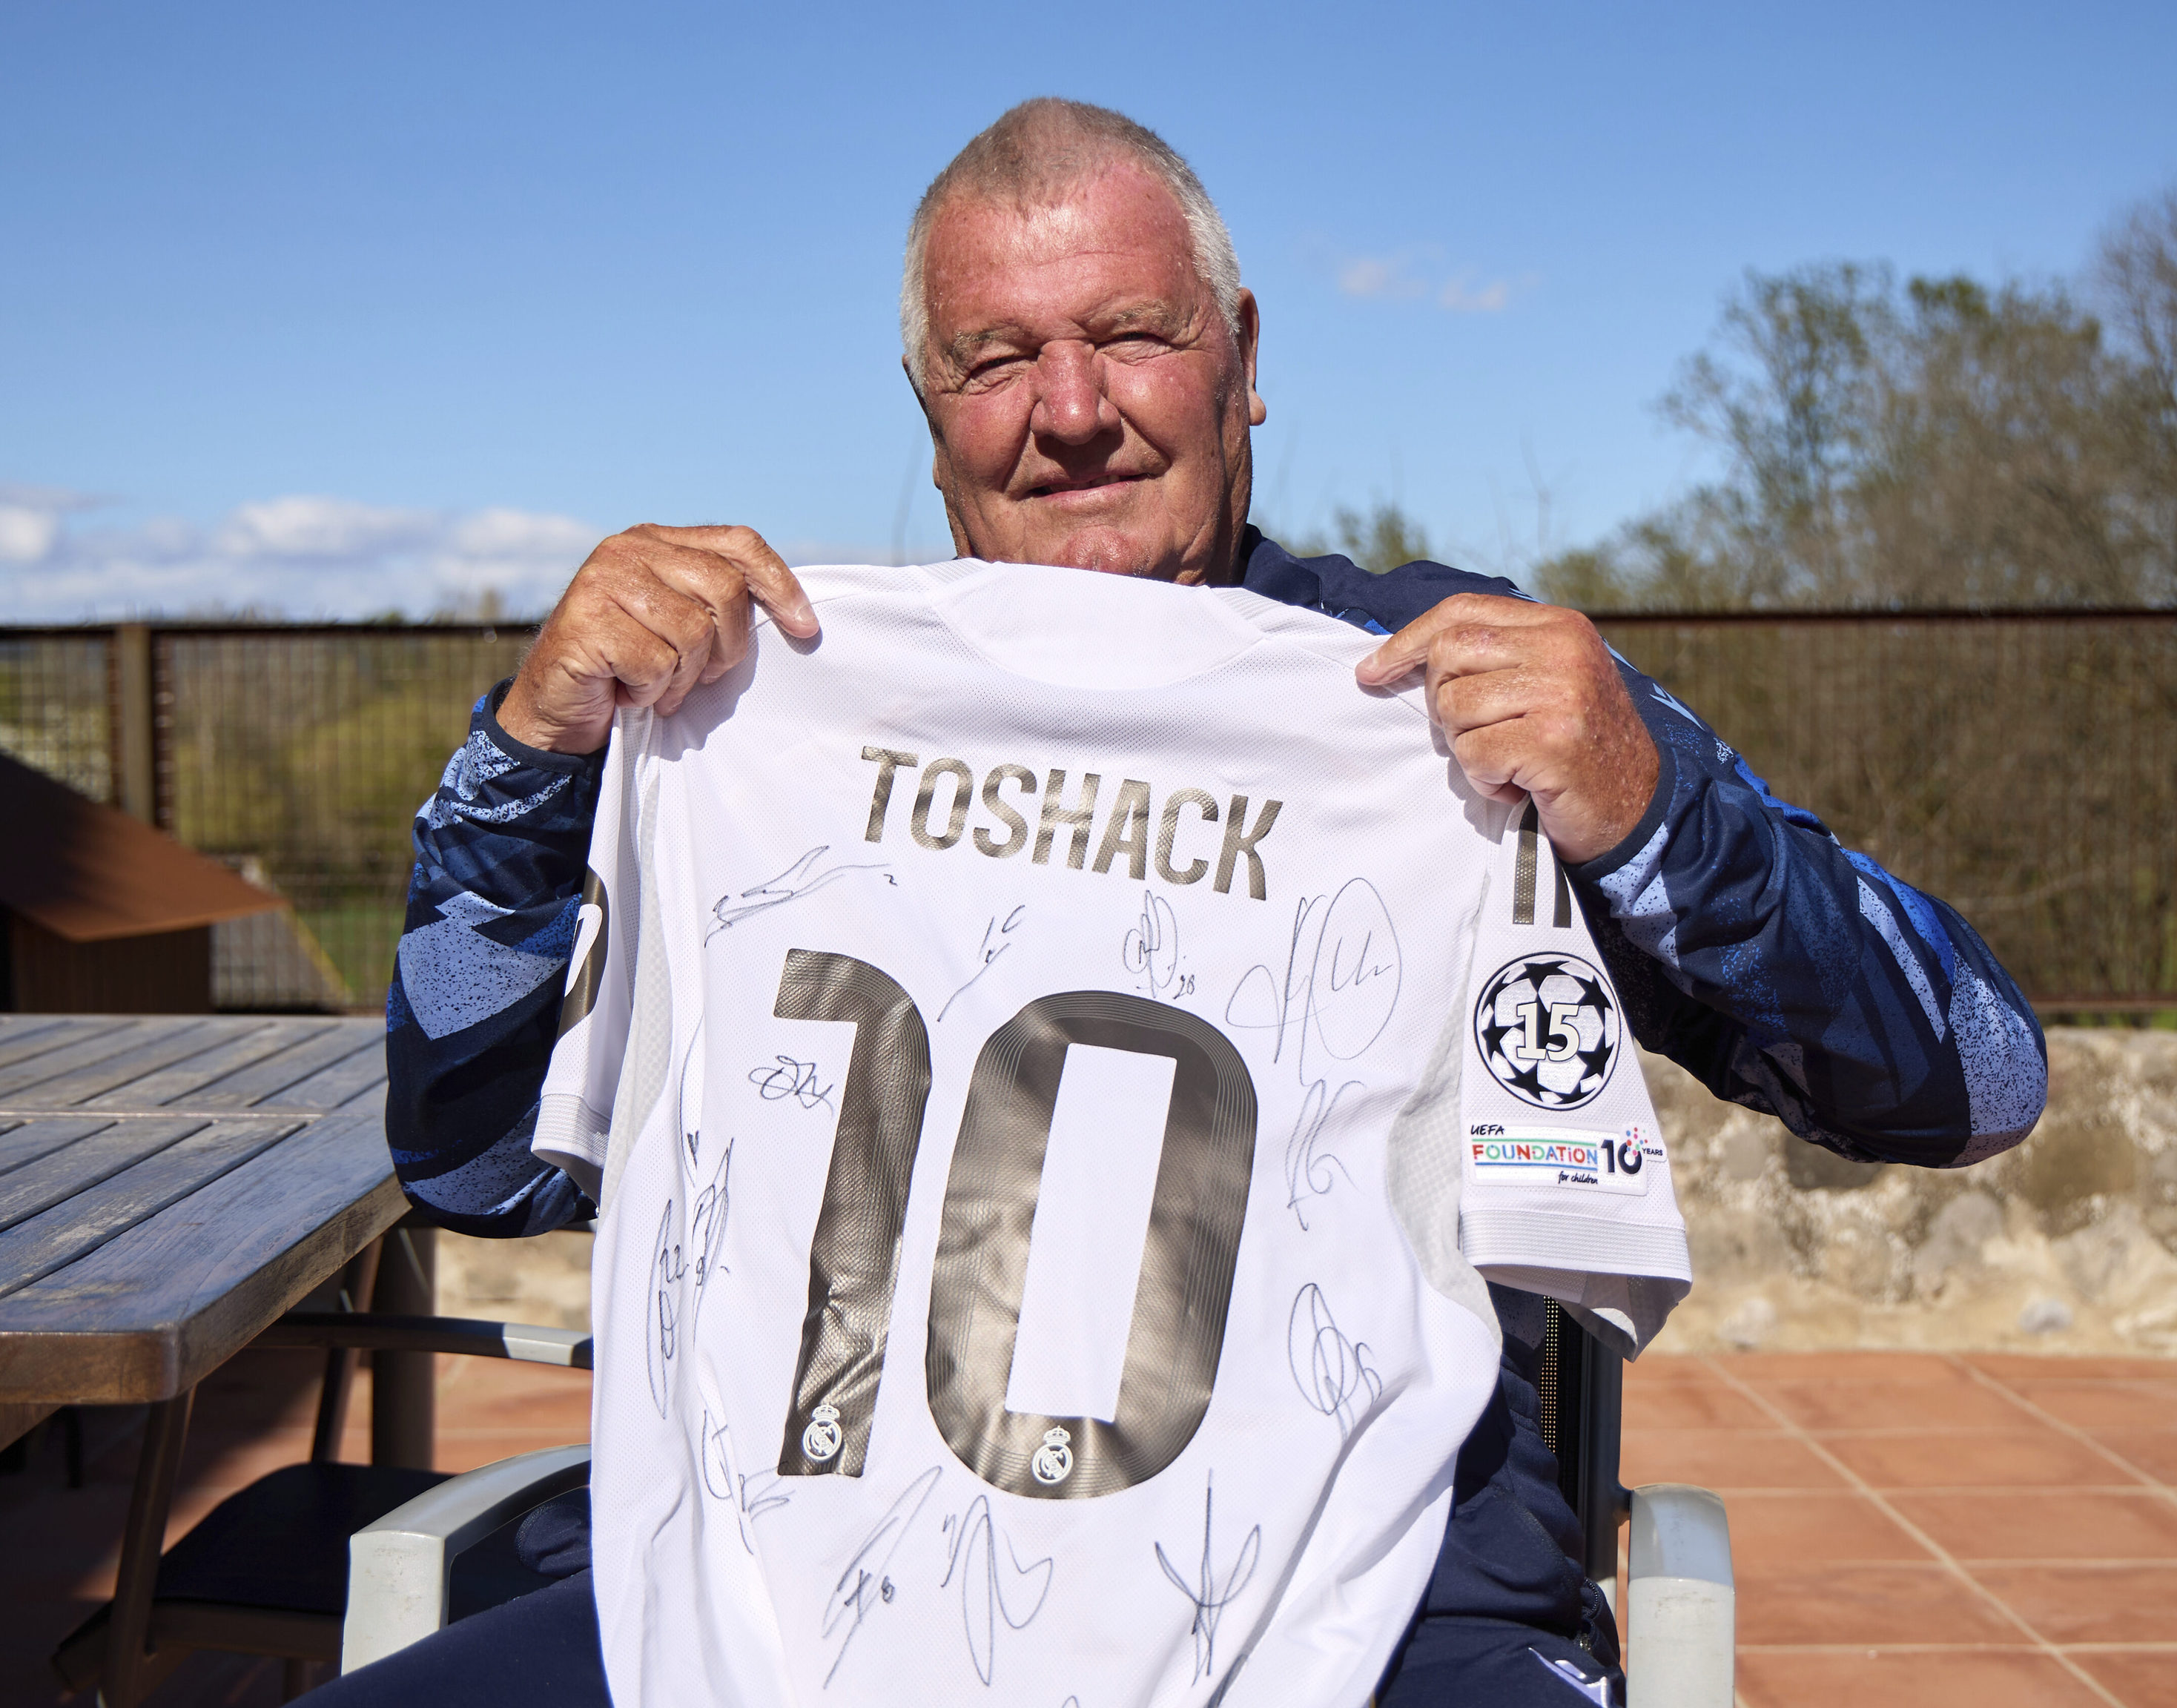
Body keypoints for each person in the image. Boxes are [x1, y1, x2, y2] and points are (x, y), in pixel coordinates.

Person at [362, 99, 2046, 1706]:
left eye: (1134, 333)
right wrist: (528, 760)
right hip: (794, 1598)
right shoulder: (754, 694)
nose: (1073, 406)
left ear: (1245, 360)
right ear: (925, 403)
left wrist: (1660, 815)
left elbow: (1975, 1077)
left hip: (1384, 1612)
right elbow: (473, 1163)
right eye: (998, 357)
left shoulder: (1438, 699)